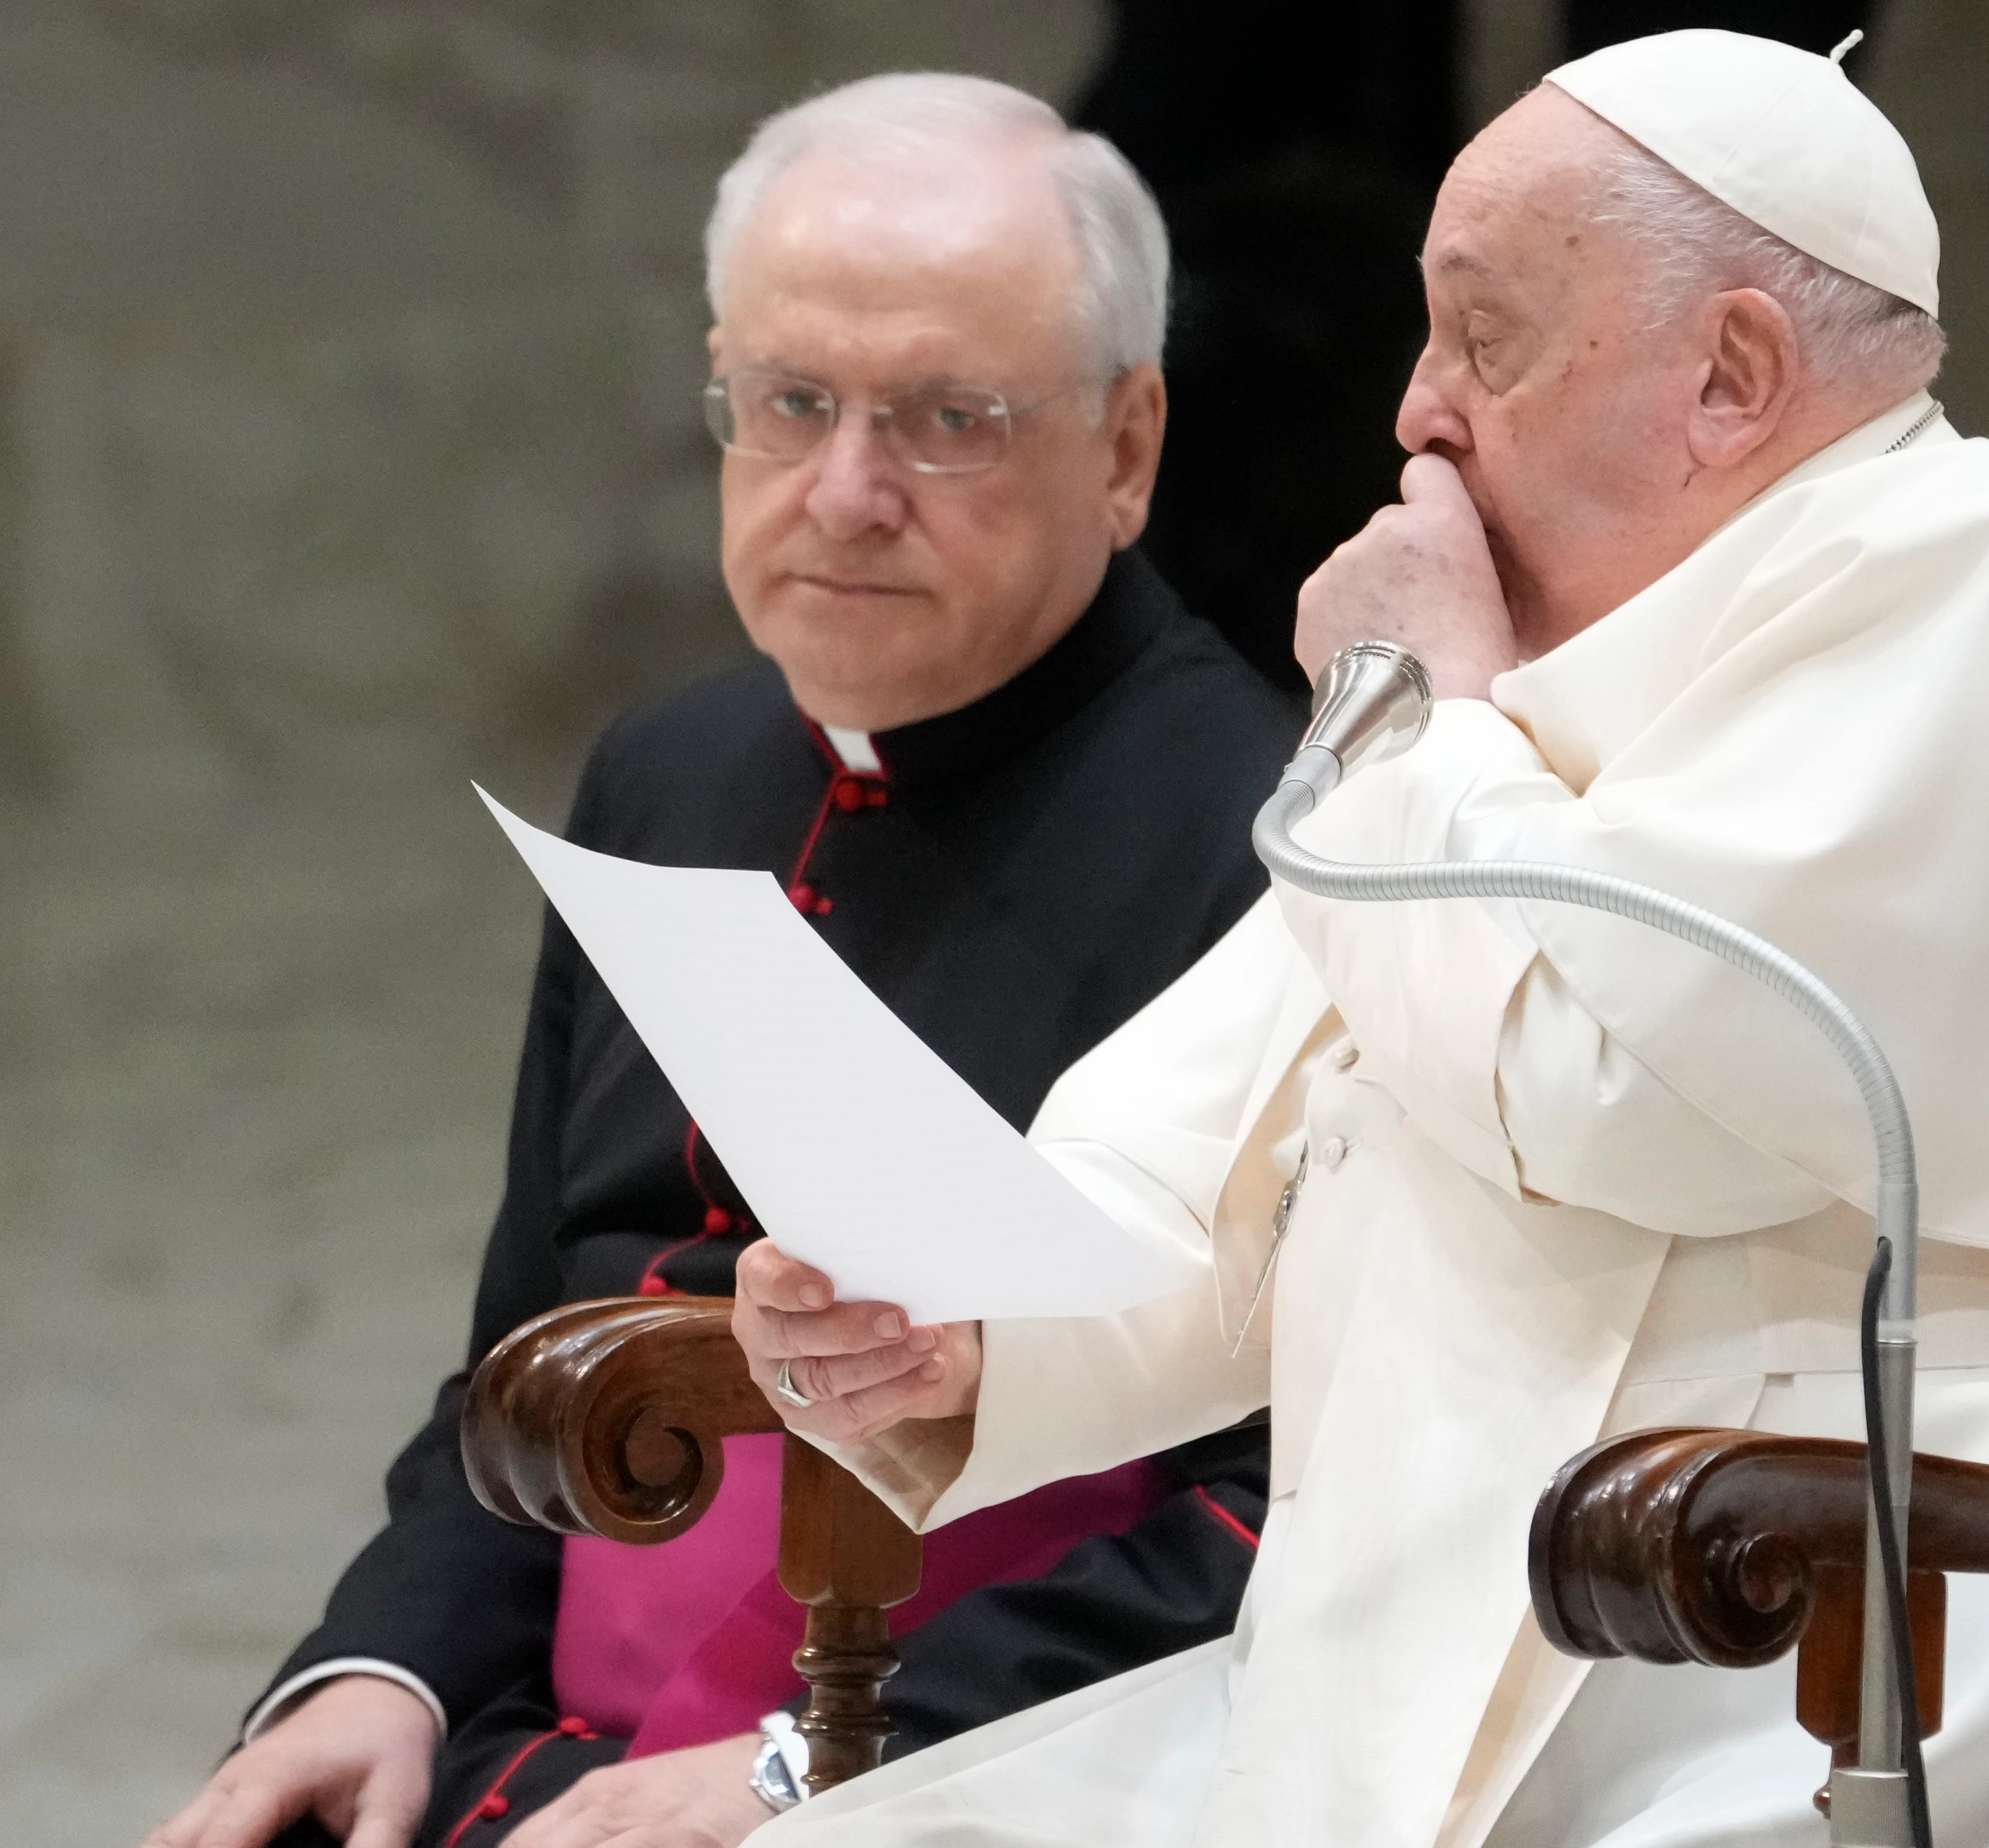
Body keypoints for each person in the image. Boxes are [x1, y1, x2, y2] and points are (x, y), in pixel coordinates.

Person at [735, 31, 1989, 1848]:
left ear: (1732, 372)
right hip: (1471, 1655)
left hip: (1913, 1646)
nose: (1416, 411)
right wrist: (966, 1328)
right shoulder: (1502, 687)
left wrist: (1399, 712)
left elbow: (1609, 1091)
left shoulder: (1982, 565)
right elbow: (1217, 1156)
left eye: (1486, 336)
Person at [142, 74, 1299, 1848]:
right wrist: (384, 1668)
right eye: (791, 403)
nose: (845, 493)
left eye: (948, 419)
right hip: (552, 1751)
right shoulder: (667, 771)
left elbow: (1286, 1504)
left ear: (1126, 446)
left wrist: (818, 1760)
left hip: (986, 1764)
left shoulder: (1281, 837)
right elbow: (527, 1351)